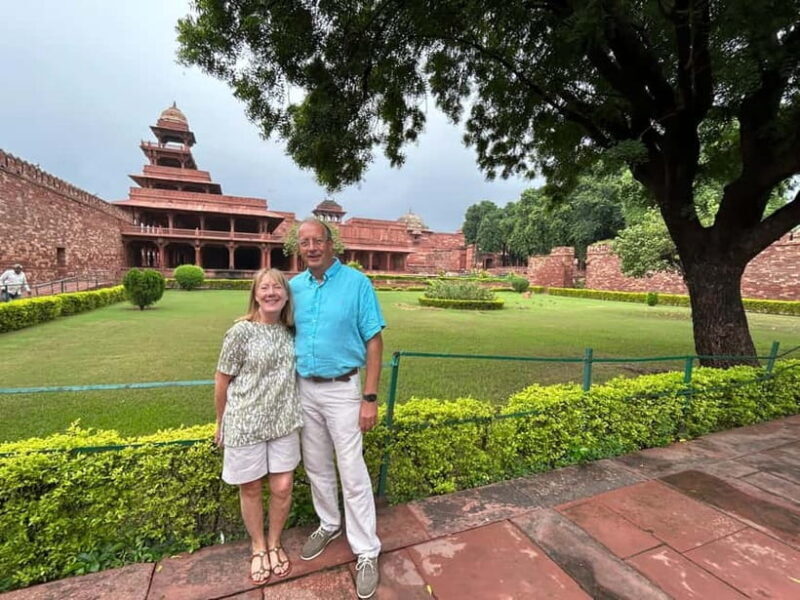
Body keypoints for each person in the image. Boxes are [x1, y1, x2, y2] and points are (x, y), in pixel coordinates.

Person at [290, 218, 385, 599]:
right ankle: (328, 523)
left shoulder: (357, 284)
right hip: (304, 388)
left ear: (331, 244)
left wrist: (370, 398)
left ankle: (366, 550)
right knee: (315, 465)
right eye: (305, 242)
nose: (311, 247)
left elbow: (374, 342)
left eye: (318, 241)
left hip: (343, 389)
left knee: (351, 469)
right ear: (299, 248)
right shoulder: (293, 287)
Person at [214, 268, 303, 584]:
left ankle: (275, 540)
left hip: (283, 421)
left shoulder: (291, 331)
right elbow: (222, 378)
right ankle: (258, 546)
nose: (271, 293)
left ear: (286, 295)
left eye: (277, 287)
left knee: (282, 487)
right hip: (245, 421)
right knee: (250, 487)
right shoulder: (241, 332)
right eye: (264, 288)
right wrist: (220, 420)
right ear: (255, 294)